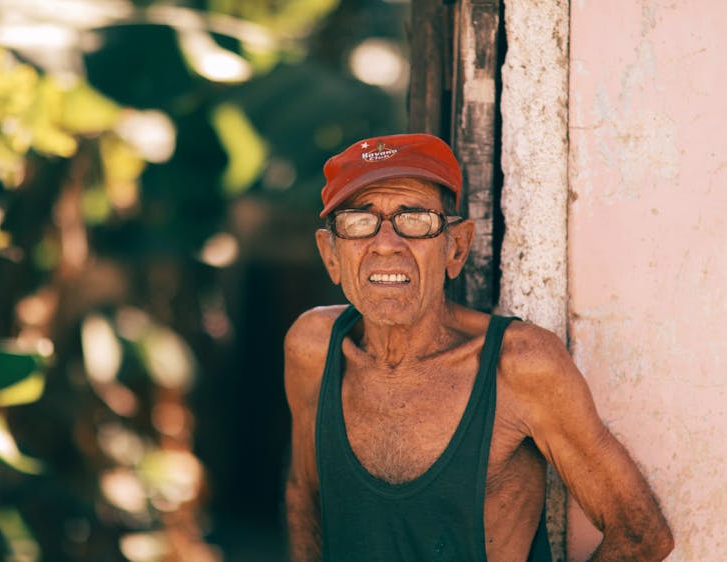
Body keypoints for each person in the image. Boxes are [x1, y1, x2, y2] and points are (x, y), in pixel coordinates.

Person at [283, 133, 674, 561]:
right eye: (360, 221)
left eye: (414, 218)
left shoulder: (520, 366)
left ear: (457, 247)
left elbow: (640, 532)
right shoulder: (313, 349)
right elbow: (305, 493)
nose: (386, 243)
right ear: (331, 255)